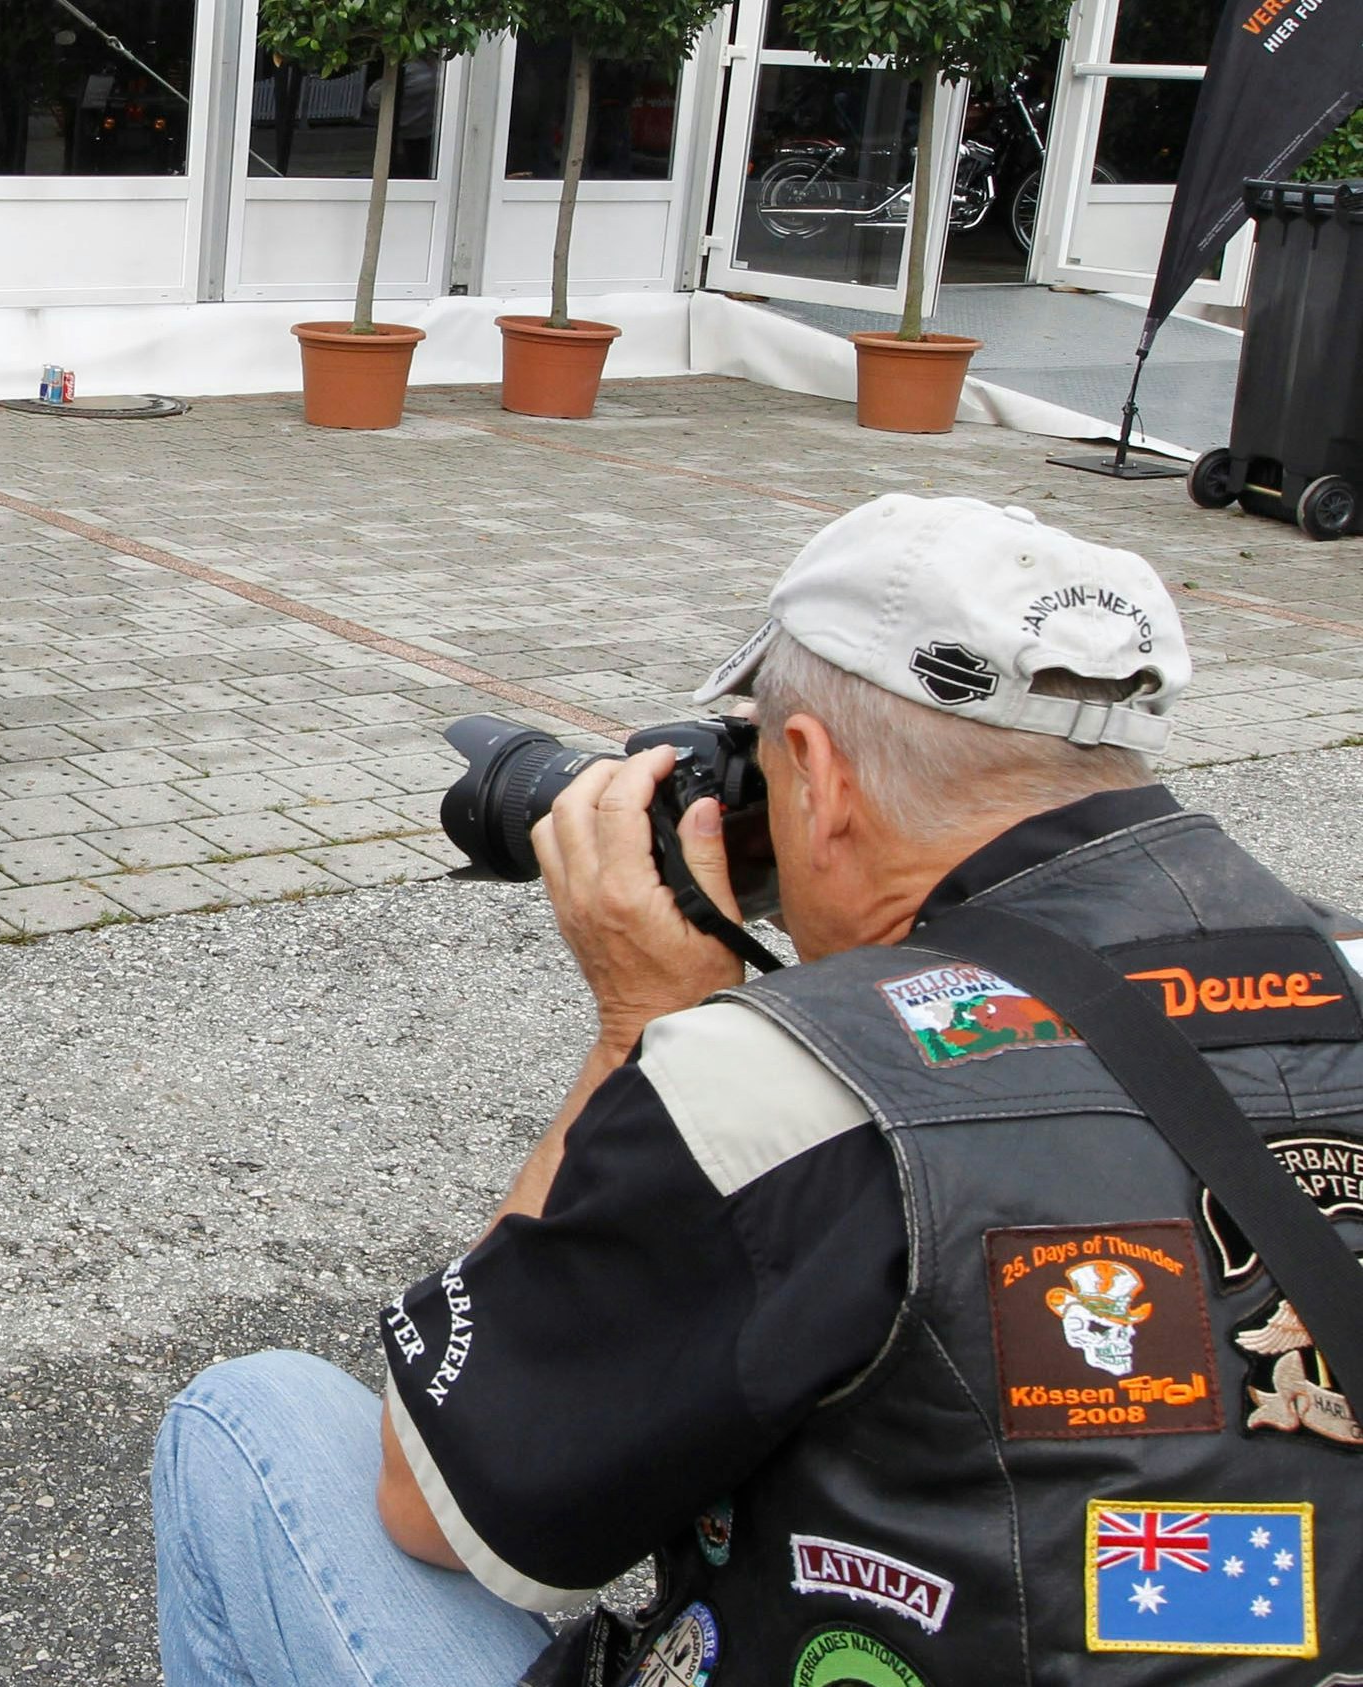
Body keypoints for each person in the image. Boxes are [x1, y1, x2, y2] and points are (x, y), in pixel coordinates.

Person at [150, 494, 1363, 1686]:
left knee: (251, 1419)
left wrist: (647, 1023)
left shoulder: (790, 1085)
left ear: (816, 774)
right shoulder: (1342, 966)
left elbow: (437, 1502)